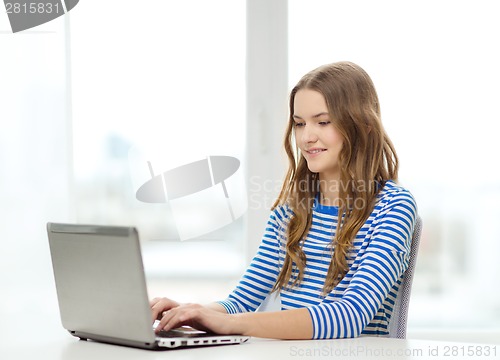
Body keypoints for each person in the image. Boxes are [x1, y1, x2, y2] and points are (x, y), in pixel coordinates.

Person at [150, 61, 418, 339]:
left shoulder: (393, 206)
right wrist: (189, 312)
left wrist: (228, 324)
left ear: (361, 125)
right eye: (300, 124)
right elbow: (241, 302)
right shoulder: (292, 211)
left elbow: (350, 315)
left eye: (323, 122)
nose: (306, 137)